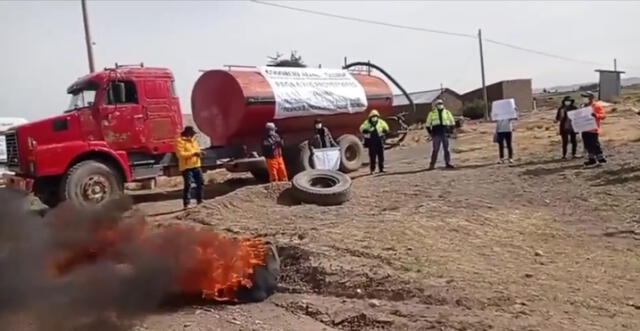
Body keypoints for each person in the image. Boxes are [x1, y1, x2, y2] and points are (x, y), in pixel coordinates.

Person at [175, 126, 204, 209]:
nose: (193, 135)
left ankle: (200, 201)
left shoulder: (194, 141)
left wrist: (200, 153)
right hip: (186, 167)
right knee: (188, 185)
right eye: (192, 134)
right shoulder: (179, 141)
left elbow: (196, 150)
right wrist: (193, 154)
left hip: (196, 165)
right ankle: (186, 204)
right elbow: (180, 154)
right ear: (187, 133)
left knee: (201, 183)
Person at [426, 99, 456, 170]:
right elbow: (427, 124)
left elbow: (452, 122)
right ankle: (432, 165)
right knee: (435, 150)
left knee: (446, 149)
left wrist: (450, 131)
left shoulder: (447, 112)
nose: (440, 104)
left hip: (445, 133)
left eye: (441, 103)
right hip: (436, 134)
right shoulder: (432, 113)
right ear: (436, 105)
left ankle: (447, 163)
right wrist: (431, 133)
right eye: (438, 103)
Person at [580, 91, 607, 166]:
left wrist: (596, 115)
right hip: (584, 129)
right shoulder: (582, 106)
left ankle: (601, 158)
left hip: (593, 129)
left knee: (595, 144)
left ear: (591, 97)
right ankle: (591, 159)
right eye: (583, 97)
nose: (584, 98)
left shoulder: (596, 106)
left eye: (586, 97)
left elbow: (603, 116)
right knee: (587, 145)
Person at [360, 109, 389, 174]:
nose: (374, 118)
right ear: (370, 117)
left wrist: (385, 130)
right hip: (371, 141)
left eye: (375, 116)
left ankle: (381, 169)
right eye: (373, 116)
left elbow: (386, 127)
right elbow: (361, 128)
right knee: (372, 156)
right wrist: (365, 130)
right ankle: (372, 170)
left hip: (379, 140)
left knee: (381, 156)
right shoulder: (367, 122)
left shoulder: (381, 122)